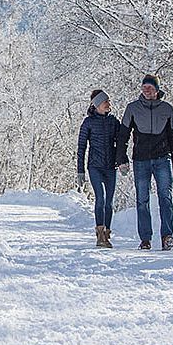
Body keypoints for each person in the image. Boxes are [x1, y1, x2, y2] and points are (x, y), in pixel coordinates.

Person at [116, 74, 173, 250]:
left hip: (162, 158)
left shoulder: (167, 109)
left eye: (150, 87)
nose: (146, 90)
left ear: (157, 90)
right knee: (142, 199)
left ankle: (167, 236)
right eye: (144, 87)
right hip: (141, 160)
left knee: (165, 197)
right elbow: (123, 135)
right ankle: (145, 238)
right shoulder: (132, 108)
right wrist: (121, 158)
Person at [76, 89, 120, 248]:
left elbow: (121, 143)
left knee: (109, 201)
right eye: (105, 102)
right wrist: (80, 170)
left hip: (110, 167)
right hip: (95, 166)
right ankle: (99, 234)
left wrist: (122, 161)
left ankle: (107, 234)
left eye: (108, 101)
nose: (109, 104)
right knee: (100, 198)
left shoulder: (113, 122)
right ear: (97, 105)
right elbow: (81, 147)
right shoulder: (88, 122)